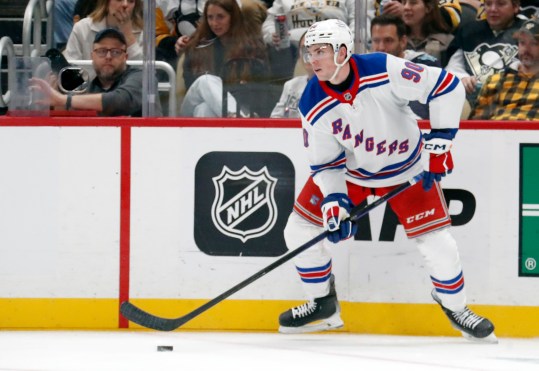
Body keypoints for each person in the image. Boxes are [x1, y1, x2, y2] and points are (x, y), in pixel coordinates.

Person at [278, 19, 497, 343]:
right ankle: (322, 303)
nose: (313, 60)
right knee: (298, 230)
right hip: (352, 172)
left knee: (439, 244)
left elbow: (446, 86)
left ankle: (456, 307)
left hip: (404, 169)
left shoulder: (381, 69)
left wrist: (441, 142)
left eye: (321, 51)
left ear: (342, 51)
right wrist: (335, 203)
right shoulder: (312, 101)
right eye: (310, 52)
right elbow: (326, 163)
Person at [30, 28, 160, 117]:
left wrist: (63, 99)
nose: (108, 56)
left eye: (116, 52)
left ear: (125, 57)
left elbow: (121, 100)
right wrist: (56, 102)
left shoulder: (142, 77)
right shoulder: (89, 90)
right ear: (92, 56)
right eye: (102, 51)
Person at [179, 0, 270, 117]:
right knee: (205, 81)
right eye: (210, 17)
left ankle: (233, 117)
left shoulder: (251, 48)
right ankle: (234, 117)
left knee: (204, 110)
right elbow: (191, 85)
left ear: (233, 17)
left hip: (239, 108)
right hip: (191, 109)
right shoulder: (197, 46)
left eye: (220, 17)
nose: (214, 23)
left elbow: (259, 93)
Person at [445, 0, 524, 106]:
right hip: (470, 97)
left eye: (500, 4)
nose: (492, 9)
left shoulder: (527, 32)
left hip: (511, 97)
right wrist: (462, 77)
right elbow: (453, 66)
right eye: (488, 4)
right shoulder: (469, 31)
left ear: (515, 7)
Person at [371, 13, 441, 119]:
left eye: (388, 41)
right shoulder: (365, 67)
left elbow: (419, 114)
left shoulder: (425, 65)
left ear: (403, 41)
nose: (381, 47)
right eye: (376, 41)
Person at [470, 18, 539, 120]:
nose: (526, 49)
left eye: (533, 43)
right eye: (522, 43)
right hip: (496, 133)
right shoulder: (495, 81)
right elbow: (475, 125)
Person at [64, 0, 144, 61]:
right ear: (106, 2)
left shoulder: (143, 32)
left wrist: (128, 35)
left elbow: (144, 74)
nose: (125, 4)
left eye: (131, 1)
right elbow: (71, 67)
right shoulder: (82, 28)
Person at [270, 32, 314, 118]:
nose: (308, 55)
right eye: (304, 49)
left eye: (315, 50)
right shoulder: (290, 85)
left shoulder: (337, 88)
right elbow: (275, 120)